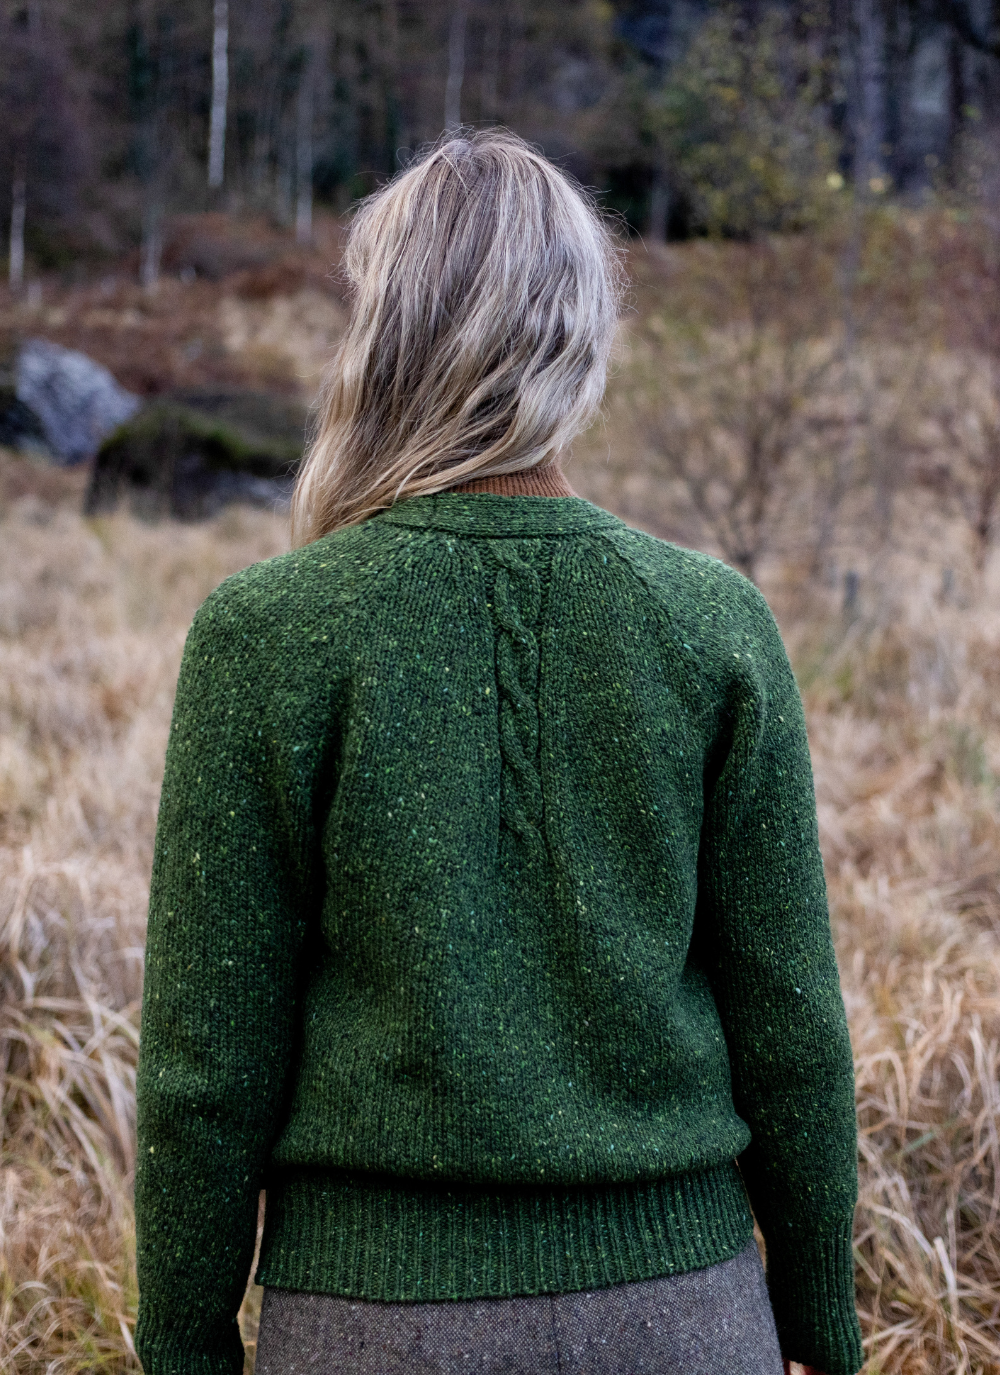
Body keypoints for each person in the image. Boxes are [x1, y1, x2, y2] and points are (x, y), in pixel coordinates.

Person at [134, 130, 863, 1375]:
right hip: (682, 1318)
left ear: (384, 333)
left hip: (370, 1325)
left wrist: (184, 1346)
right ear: (582, 333)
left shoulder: (271, 632)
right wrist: (820, 1325)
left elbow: (207, 1069)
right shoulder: (710, 623)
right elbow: (791, 1024)